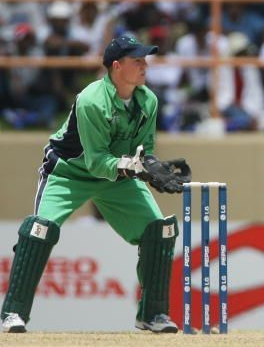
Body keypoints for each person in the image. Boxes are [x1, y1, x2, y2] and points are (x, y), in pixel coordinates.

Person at [1, 35, 192, 334]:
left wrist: (151, 166)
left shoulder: (148, 100)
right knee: (40, 230)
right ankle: (12, 313)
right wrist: (134, 167)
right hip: (69, 174)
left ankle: (152, 315)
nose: (145, 66)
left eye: (146, 60)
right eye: (137, 61)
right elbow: (96, 162)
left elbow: (145, 149)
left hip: (118, 178)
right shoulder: (91, 100)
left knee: (161, 230)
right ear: (116, 67)